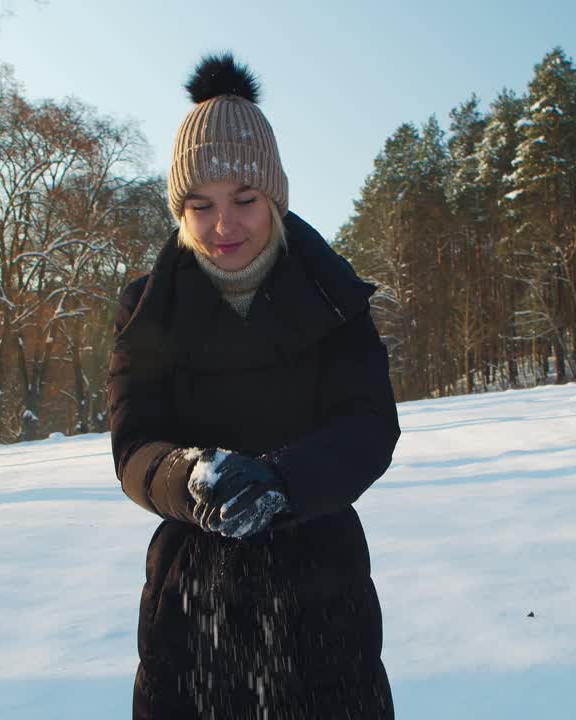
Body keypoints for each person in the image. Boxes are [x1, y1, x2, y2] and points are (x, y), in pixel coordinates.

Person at [107, 53, 400, 719]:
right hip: (191, 596)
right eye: (200, 205)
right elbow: (135, 448)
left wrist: (281, 481)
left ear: (275, 196)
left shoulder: (332, 294)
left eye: (244, 199)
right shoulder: (146, 308)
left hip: (322, 586)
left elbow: (368, 425)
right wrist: (188, 477)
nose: (223, 226)